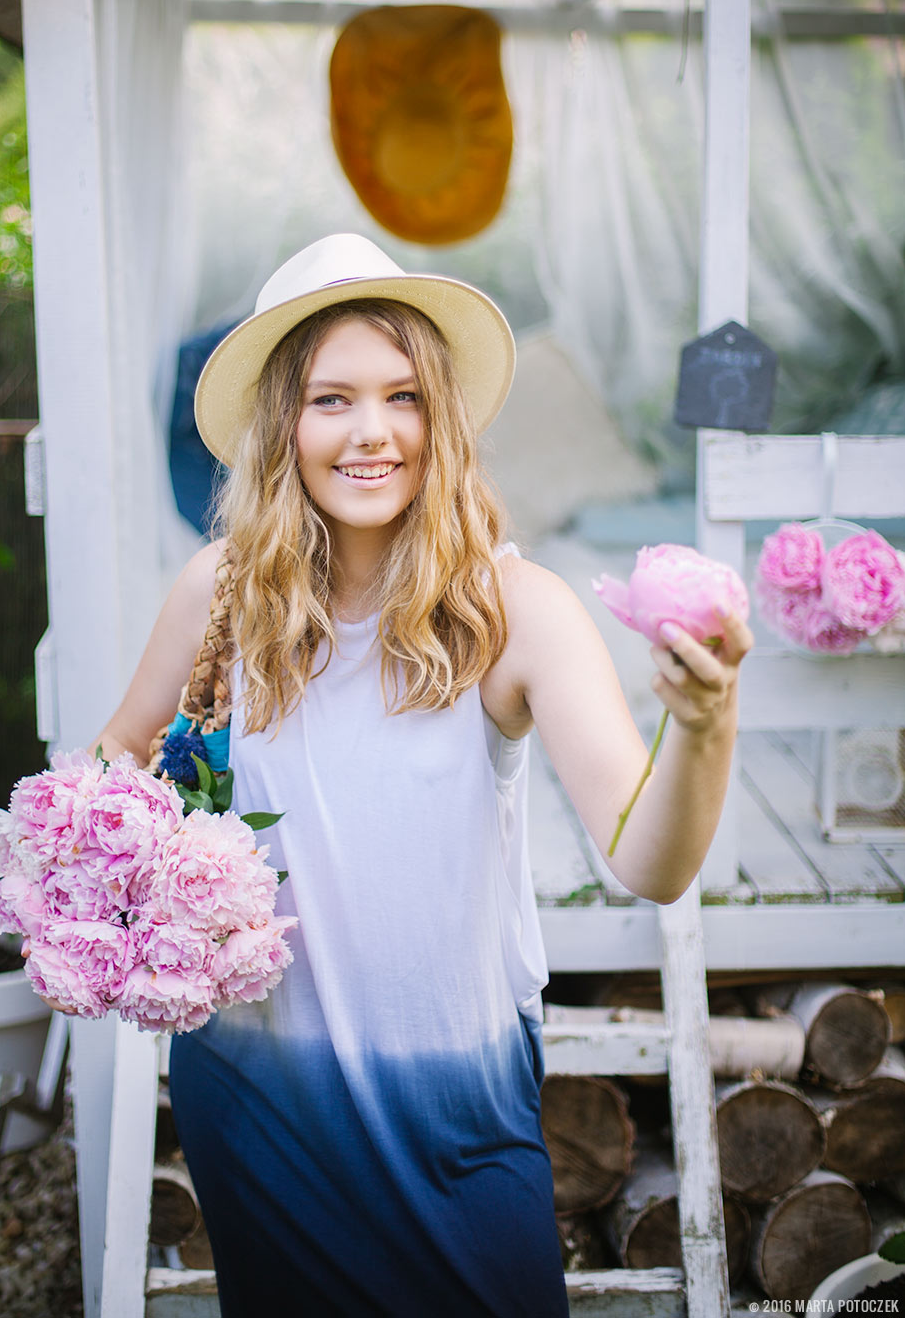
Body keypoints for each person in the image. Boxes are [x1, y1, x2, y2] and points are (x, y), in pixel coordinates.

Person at [92, 233, 752, 1317]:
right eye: (331, 398)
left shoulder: (515, 612)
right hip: (255, 1097)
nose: (371, 432)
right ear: (282, 426)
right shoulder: (217, 594)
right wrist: (105, 874)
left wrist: (705, 724)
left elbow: (649, 862)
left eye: (402, 396)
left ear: (440, 418)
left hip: (458, 1115)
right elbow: (117, 754)